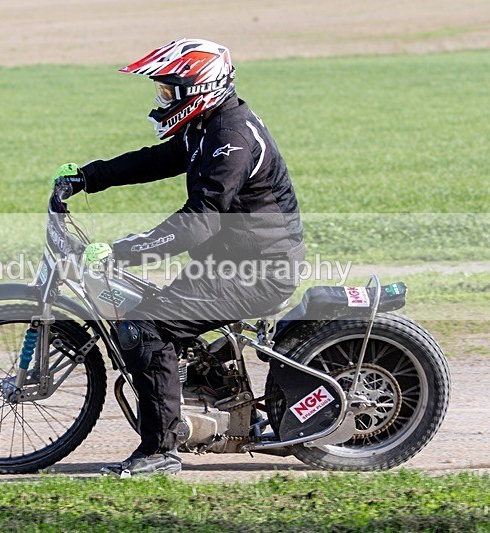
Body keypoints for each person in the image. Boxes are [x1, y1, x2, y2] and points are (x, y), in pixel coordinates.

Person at [54, 38, 305, 477]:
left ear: (200, 88)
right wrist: (89, 176)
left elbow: (198, 223)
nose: (162, 99)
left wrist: (124, 250)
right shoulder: (207, 125)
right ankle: (213, 396)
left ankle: (160, 450)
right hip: (232, 261)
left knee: (142, 326)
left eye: (169, 91)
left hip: (257, 272)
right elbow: (158, 160)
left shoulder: (231, 139)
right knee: (153, 313)